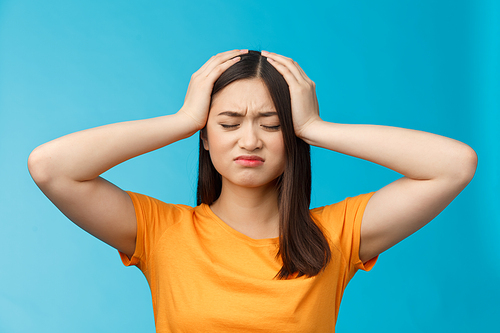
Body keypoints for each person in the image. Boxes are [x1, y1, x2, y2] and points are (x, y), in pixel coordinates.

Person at [28, 49, 477, 332]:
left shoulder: (336, 235)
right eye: (228, 123)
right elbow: (50, 167)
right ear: (206, 136)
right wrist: (182, 120)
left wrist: (316, 128)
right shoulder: (161, 231)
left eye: (272, 124)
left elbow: (454, 165)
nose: (249, 141)